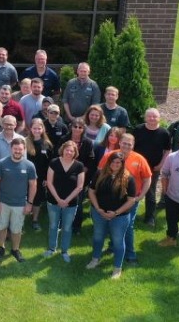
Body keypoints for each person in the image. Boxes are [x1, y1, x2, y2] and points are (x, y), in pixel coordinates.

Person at [97, 133, 151, 264]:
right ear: (120, 143)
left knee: (127, 226)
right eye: (124, 143)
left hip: (130, 200)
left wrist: (141, 196)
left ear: (133, 145)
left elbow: (147, 178)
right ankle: (112, 246)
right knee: (112, 222)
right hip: (112, 198)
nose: (126, 146)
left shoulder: (139, 159)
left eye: (129, 144)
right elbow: (99, 172)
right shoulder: (110, 156)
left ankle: (130, 254)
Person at [86, 151, 136, 279]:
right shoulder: (99, 174)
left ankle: (117, 268)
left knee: (118, 241)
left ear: (122, 164)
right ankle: (95, 259)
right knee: (98, 237)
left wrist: (116, 213)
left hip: (120, 216)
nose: (115, 164)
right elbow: (91, 191)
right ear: (108, 162)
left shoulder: (129, 178)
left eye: (118, 162)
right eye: (112, 162)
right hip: (99, 213)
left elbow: (131, 200)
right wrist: (98, 209)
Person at [0, 138, 37, 263]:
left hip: (20, 204)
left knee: (17, 229)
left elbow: (33, 185)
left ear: (24, 150)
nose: (17, 151)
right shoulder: (1, 163)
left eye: (20, 149)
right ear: (11, 149)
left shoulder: (29, 165)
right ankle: (1, 247)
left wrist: (30, 203)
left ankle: (15, 249)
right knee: (1, 226)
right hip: (2, 202)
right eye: (15, 149)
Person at [44, 141, 85, 262]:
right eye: (67, 150)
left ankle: (64, 251)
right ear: (63, 150)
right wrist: (58, 199)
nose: (69, 152)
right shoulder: (54, 162)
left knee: (67, 227)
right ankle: (51, 248)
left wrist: (66, 200)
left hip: (70, 203)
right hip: (53, 201)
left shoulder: (79, 166)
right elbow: (49, 182)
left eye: (72, 151)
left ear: (75, 153)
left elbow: (80, 186)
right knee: (53, 225)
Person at [132, 108, 171, 226]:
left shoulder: (164, 133)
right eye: (149, 116)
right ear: (145, 117)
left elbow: (167, 150)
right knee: (132, 189)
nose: (152, 118)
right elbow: (131, 147)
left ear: (159, 118)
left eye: (154, 116)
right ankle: (127, 213)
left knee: (150, 191)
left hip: (153, 168)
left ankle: (150, 217)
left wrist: (161, 164)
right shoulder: (138, 129)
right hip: (136, 166)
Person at [68, 118, 98, 233]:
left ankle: (76, 227)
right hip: (65, 175)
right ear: (71, 127)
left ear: (83, 129)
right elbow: (58, 154)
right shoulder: (65, 139)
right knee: (64, 200)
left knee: (78, 202)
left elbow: (91, 159)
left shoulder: (87, 142)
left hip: (81, 176)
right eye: (75, 126)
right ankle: (63, 224)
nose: (77, 129)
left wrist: (82, 171)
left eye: (80, 127)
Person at [25, 119, 53, 231]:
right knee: (24, 197)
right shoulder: (25, 142)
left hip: (40, 177)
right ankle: (21, 218)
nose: (36, 130)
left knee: (37, 199)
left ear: (43, 129)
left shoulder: (47, 144)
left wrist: (47, 178)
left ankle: (35, 220)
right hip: (26, 176)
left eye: (39, 128)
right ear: (30, 129)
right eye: (34, 128)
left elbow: (50, 163)